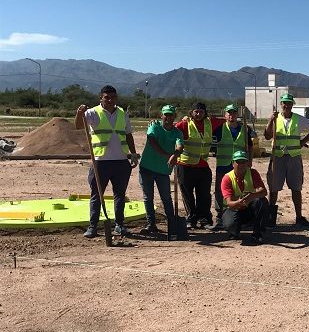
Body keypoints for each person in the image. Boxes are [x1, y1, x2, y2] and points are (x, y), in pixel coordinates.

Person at [74, 85, 139, 238]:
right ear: (101, 98)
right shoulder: (92, 113)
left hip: (121, 161)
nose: (110, 100)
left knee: (120, 195)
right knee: (97, 194)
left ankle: (119, 225)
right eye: (107, 97)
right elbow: (77, 126)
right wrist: (79, 113)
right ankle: (93, 226)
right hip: (100, 161)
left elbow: (128, 135)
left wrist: (134, 154)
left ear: (116, 98)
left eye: (113, 97)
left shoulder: (123, 113)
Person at [263, 93, 309, 227]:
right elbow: (266, 136)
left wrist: (303, 141)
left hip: (294, 158)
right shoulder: (276, 119)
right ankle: (271, 217)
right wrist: (271, 120)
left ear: (292, 105)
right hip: (277, 157)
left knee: (296, 188)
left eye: (289, 103)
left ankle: (299, 217)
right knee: (274, 187)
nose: (286, 105)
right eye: (284, 103)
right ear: (281, 104)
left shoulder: (298, 119)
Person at [175, 102, 226, 229]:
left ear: (205, 113)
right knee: (188, 195)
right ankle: (191, 219)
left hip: (203, 166)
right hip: (185, 165)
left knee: (204, 195)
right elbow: (170, 128)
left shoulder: (210, 123)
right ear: (191, 112)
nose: (198, 114)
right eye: (196, 112)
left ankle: (205, 219)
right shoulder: (185, 124)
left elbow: (227, 120)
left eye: (201, 112)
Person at [138, 104, 184, 235]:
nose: (168, 117)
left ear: (175, 116)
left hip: (163, 171)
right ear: (161, 116)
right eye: (166, 114)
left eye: (171, 115)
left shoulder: (177, 132)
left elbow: (180, 145)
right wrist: (167, 155)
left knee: (166, 197)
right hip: (146, 167)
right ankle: (151, 224)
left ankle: (172, 224)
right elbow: (151, 141)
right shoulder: (154, 126)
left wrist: (175, 154)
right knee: (148, 197)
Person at [212, 104, 255, 231]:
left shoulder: (244, 129)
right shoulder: (219, 129)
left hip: (240, 166)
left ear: (237, 115)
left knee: (243, 189)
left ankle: (243, 216)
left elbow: (250, 147)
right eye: (229, 113)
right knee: (220, 192)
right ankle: (220, 217)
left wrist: (250, 161)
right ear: (225, 115)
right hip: (223, 165)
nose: (231, 115)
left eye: (234, 113)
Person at [221, 150, 268, 244]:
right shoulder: (227, 178)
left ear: (247, 163)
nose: (241, 165)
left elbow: (264, 192)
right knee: (229, 225)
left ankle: (258, 233)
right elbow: (229, 203)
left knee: (261, 201)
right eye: (238, 162)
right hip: (233, 209)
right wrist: (238, 203)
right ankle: (235, 231)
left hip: (249, 208)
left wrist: (251, 196)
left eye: (244, 162)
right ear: (233, 163)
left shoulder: (253, 173)